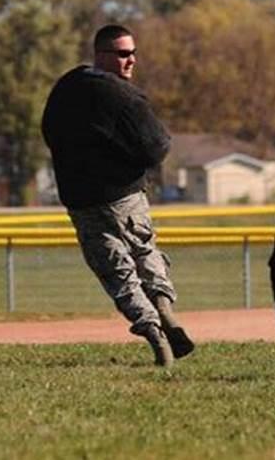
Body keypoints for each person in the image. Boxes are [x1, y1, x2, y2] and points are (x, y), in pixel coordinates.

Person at [41, 24, 194, 367]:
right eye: (124, 54)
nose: (131, 61)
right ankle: (165, 312)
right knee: (144, 251)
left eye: (133, 53)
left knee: (116, 273)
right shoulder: (124, 97)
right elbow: (157, 147)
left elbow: (50, 133)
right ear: (102, 55)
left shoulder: (65, 89)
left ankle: (157, 335)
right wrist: (129, 164)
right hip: (125, 196)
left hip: (82, 200)